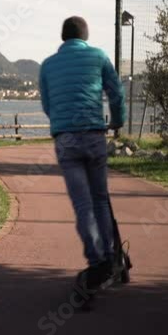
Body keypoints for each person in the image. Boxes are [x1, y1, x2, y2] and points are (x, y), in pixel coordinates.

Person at [39, 16, 126, 289]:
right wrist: (117, 120)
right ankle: (109, 257)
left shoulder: (48, 65)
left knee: (82, 203)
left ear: (63, 37)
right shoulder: (99, 57)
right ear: (85, 36)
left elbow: (48, 105)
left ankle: (96, 260)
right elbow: (116, 93)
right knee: (100, 199)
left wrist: (63, 124)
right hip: (94, 135)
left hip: (66, 140)